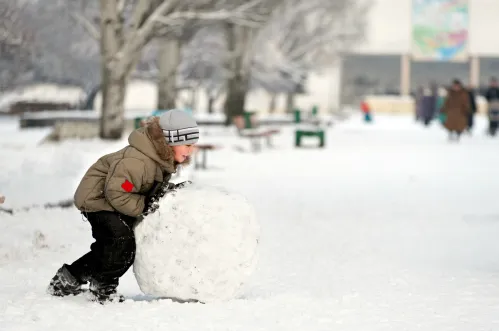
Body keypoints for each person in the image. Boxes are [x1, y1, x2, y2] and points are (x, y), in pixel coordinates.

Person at [47, 109, 199, 303]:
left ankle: (67, 279)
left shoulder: (159, 159)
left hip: (115, 198)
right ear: (169, 141)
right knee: (121, 242)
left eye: (192, 145)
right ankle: (103, 286)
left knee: (108, 248)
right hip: (98, 200)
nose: (190, 150)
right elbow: (119, 190)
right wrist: (146, 205)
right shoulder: (138, 161)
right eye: (186, 144)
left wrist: (167, 193)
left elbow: (145, 185)